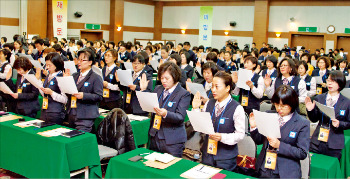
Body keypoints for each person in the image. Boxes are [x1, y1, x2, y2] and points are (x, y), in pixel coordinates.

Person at [249, 85, 310, 178]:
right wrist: (254, 128)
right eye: (276, 105)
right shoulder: (269, 115)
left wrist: (279, 145)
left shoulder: (302, 123)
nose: (279, 109)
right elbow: (259, 140)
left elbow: (302, 153)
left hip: (286, 172)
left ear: (292, 104)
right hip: (264, 168)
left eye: (283, 106)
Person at [192, 71, 245, 171]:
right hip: (207, 154)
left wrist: (222, 137)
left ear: (227, 88)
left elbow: (240, 135)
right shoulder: (209, 103)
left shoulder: (237, 108)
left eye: (217, 87)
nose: (213, 90)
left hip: (226, 159)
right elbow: (201, 126)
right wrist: (195, 109)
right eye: (212, 86)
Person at [149, 62, 191, 157]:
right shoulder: (158, 89)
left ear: (175, 77)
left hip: (172, 140)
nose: (163, 81)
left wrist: (165, 114)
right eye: (162, 78)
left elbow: (180, 117)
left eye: (167, 78)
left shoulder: (183, 94)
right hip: (155, 135)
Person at [305, 70, 350, 161]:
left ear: (340, 83)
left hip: (335, 143)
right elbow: (314, 119)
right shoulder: (319, 98)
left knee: (331, 168)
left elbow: (349, 123)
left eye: (333, 81)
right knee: (314, 167)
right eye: (328, 81)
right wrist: (310, 110)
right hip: (317, 140)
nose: (329, 84)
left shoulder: (346, 102)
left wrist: (339, 124)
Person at [65, 49, 103, 132]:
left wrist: (84, 96)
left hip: (85, 115)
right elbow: (68, 93)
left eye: (82, 60)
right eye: (78, 59)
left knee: (80, 139)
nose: (79, 62)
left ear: (90, 62)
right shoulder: (75, 75)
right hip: (72, 112)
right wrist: (66, 81)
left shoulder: (96, 77)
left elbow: (99, 96)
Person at [39, 52, 66, 125]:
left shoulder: (62, 77)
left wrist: (51, 93)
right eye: (46, 65)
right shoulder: (48, 75)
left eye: (49, 65)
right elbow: (44, 94)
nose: (47, 67)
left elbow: (65, 99)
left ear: (56, 65)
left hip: (55, 113)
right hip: (45, 110)